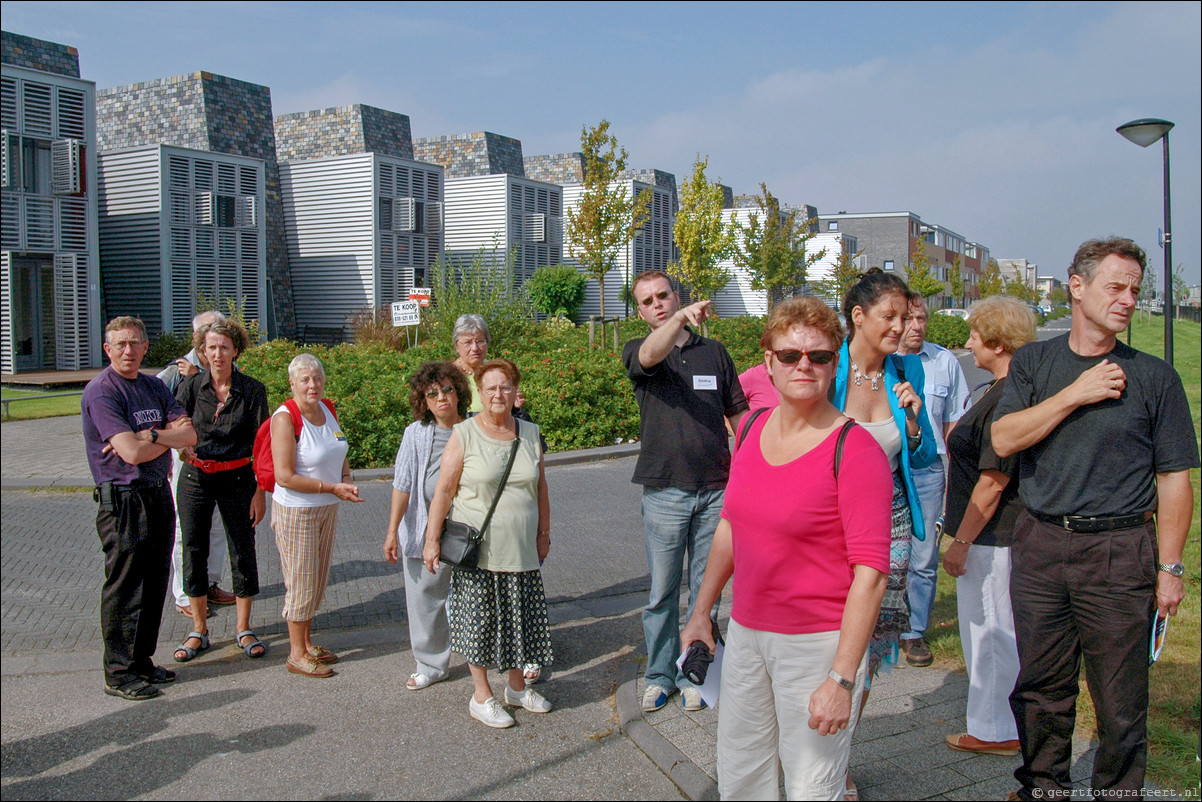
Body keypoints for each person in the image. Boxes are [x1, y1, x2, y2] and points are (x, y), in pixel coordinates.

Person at [992, 237, 1198, 799]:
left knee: (1120, 697)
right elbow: (1004, 437)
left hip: (1119, 549)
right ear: (1076, 288)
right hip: (1040, 545)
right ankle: (1043, 787)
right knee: (1040, 687)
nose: (1129, 299)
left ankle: (1118, 792)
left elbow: (1175, 478)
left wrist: (1171, 568)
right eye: (1116, 286)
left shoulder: (1156, 379)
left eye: (1136, 289)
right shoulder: (1036, 362)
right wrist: (1076, 394)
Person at [681, 296, 892, 800]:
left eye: (819, 356)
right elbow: (732, 525)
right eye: (791, 354)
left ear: (834, 363)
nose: (805, 365)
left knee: (811, 786)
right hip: (749, 634)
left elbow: (872, 575)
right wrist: (701, 612)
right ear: (768, 361)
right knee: (742, 774)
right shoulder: (751, 429)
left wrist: (842, 680)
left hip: (816, 645)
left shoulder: (856, 450)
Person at [622, 270, 749, 713]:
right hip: (664, 491)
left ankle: (696, 671)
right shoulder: (640, 352)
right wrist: (679, 323)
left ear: (677, 296)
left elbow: (739, 414)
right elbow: (653, 352)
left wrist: (757, 458)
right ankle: (659, 675)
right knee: (662, 592)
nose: (657, 304)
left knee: (705, 591)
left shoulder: (713, 352)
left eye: (664, 296)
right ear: (639, 311)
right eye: (647, 301)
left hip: (716, 489)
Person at [833, 269, 937, 800]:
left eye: (907, 317)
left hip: (890, 522)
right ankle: (809, 747)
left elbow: (920, 457)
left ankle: (841, 759)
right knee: (825, 638)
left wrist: (915, 424)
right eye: (890, 316)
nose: (902, 326)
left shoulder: (908, 370)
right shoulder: (829, 369)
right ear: (858, 316)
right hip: (828, 523)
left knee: (867, 646)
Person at [423, 358, 552, 729]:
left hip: (522, 548)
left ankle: (515, 688)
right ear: (480, 392)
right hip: (479, 553)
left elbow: (541, 487)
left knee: (517, 622)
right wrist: (432, 540)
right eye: (491, 387)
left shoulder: (529, 433)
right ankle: (481, 696)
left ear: (515, 392)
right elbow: (444, 491)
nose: (499, 393)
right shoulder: (464, 433)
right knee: (479, 625)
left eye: (506, 386)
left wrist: (544, 534)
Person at [81, 316, 197, 700]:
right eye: (120, 344)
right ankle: (118, 672)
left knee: (154, 583)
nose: (128, 351)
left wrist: (149, 435)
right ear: (107, 349)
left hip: (157, 492)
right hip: (125, 500)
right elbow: (129, 454)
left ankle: (142, 661)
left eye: (134, 343)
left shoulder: (152, 386)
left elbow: (190, 433)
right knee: (126, 586)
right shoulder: (102, 392)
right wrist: (167, 438)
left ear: (146, 347)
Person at [940, 296, 1036, 757]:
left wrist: (961, 540)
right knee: (997, 628)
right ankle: (1003, 722)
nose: (968, 343)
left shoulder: (1006, 398)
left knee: (990, 631)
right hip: (996, 534)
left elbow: (993, 480)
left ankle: (997, 729)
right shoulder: (1009, 388)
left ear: (997, 342)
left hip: (991, 535)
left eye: (975, 335)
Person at [172, 318, 269, 664]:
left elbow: (263, 445)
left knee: (242, 548)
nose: (217, 354)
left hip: (238, 478)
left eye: (224, 347)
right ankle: (199, 629)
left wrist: (261, 492)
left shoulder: (252, 390)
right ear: (202, 351)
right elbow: (175, 422)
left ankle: (244, 627)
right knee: (193, 548)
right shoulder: (191, 386)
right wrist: (181, 445)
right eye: (211, 347)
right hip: (196, 478)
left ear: (236, 351)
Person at [271, 353, 364, 678]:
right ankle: (296, 653)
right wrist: (331, 486)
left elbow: (339, 451)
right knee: (301, 579)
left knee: (317, 577)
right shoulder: (284, 418)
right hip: (297, 511)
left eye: (318, 379)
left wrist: (347, 481)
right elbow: (284, 476)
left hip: (327, 506)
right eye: (305, 380)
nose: (313, 385)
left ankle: (307, 643)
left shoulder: (328, 408)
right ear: (292, 383)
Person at [383, 361, 471, 691]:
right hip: (422, 528)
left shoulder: (475, 428)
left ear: (459, 392)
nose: (442, 398)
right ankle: (431, 664)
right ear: (424, 400)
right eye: (432, 393)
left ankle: (483, 654)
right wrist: (393, 531)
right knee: (424, 599)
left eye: (447, 389)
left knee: (472, 595)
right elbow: (402, 484)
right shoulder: (415, 434)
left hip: (467, 531)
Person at [896, 297, 970, 667]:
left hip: (928, 471)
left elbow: (953, 427)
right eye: (908, 319)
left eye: (921, 318)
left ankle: (914, 632)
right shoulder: (879, 362)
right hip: (889, 468)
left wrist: (954, 486)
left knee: (923, 555)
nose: (916, 326)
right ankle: (878, 623)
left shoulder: (945, 362)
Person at [156, 309, 235, 617]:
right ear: (197, 339)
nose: (214, 343)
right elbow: (155, 406)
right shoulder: (175, 372)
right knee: (184, 528)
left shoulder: (228, 367)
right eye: (207, 335)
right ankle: (185, 593)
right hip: (187, 461)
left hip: (219, 463)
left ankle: (211, 584)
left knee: (216, 525)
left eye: (219, 335)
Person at [451, 314, 490, 413]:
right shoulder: (448, 375)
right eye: (468, 342)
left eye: (480, 341)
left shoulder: (496, 370)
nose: (475, 348)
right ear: (456, 346)